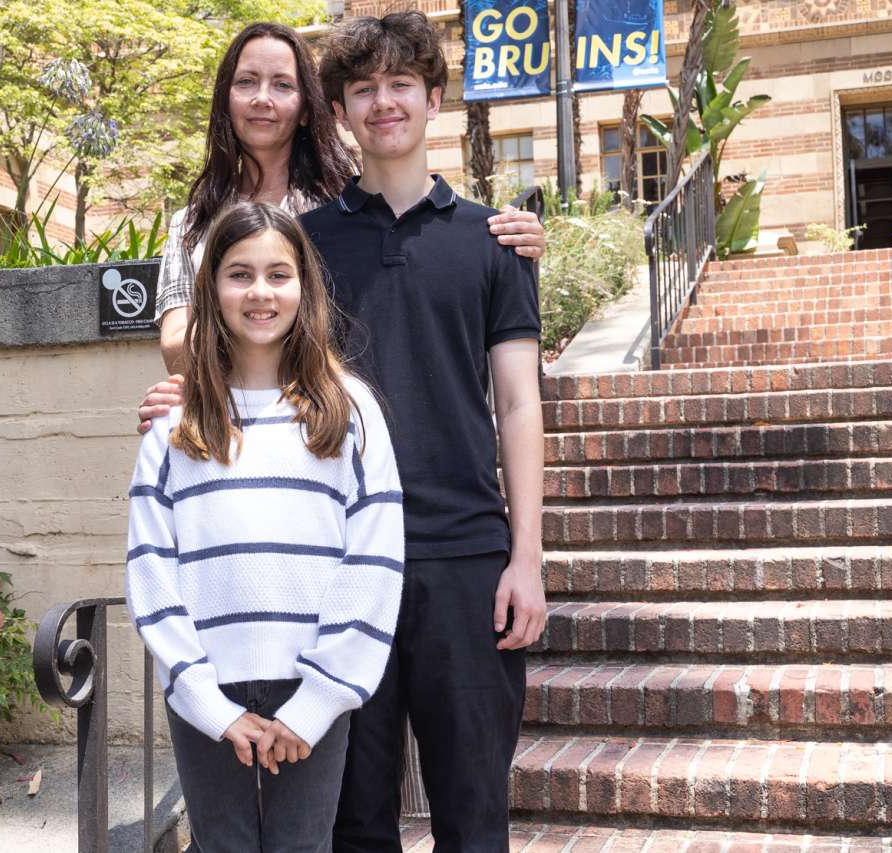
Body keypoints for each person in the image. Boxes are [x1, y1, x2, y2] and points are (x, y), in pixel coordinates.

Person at [304, 14, 547, 851]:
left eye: (401, 83)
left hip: (466, 561)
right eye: (363, 88)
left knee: (473, 813)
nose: (383, 102)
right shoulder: (304, 248)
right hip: (339, 563)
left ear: (434, 98)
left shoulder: (495, 243)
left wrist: (526, 559)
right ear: (340, 110)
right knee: (354, 818)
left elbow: (518, 404)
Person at [125, 200, 405, 852]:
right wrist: (206, 701)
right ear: (211, 289)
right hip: (204, 688)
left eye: (278, 274)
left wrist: (317, 700)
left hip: (313, 681)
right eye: (239, 274)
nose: (259, 291)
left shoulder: (349, 409)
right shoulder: (174, 426)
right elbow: (150, 565)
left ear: (304, 286)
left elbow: (374, 559)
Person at [154, 20, 546, 373]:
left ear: (309, 109)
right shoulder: (192, 223)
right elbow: (175, 345)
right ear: (225, 99)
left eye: (283, 85)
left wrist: (504, 235)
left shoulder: (343, 206)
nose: (262, 98)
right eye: (246, 82)